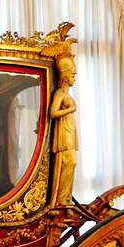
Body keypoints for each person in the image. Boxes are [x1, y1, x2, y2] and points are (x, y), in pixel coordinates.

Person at [49, 55, 78, 206]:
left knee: (71, 163)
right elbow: (53, 113)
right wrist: (71, 109)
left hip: (70, 130)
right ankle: (61, 197)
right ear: (66, 77)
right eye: (72, 75)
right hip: (64, 132)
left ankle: (66, 197)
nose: (74, 78)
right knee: (70, 162)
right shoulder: (60, 94)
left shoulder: (66, 94)